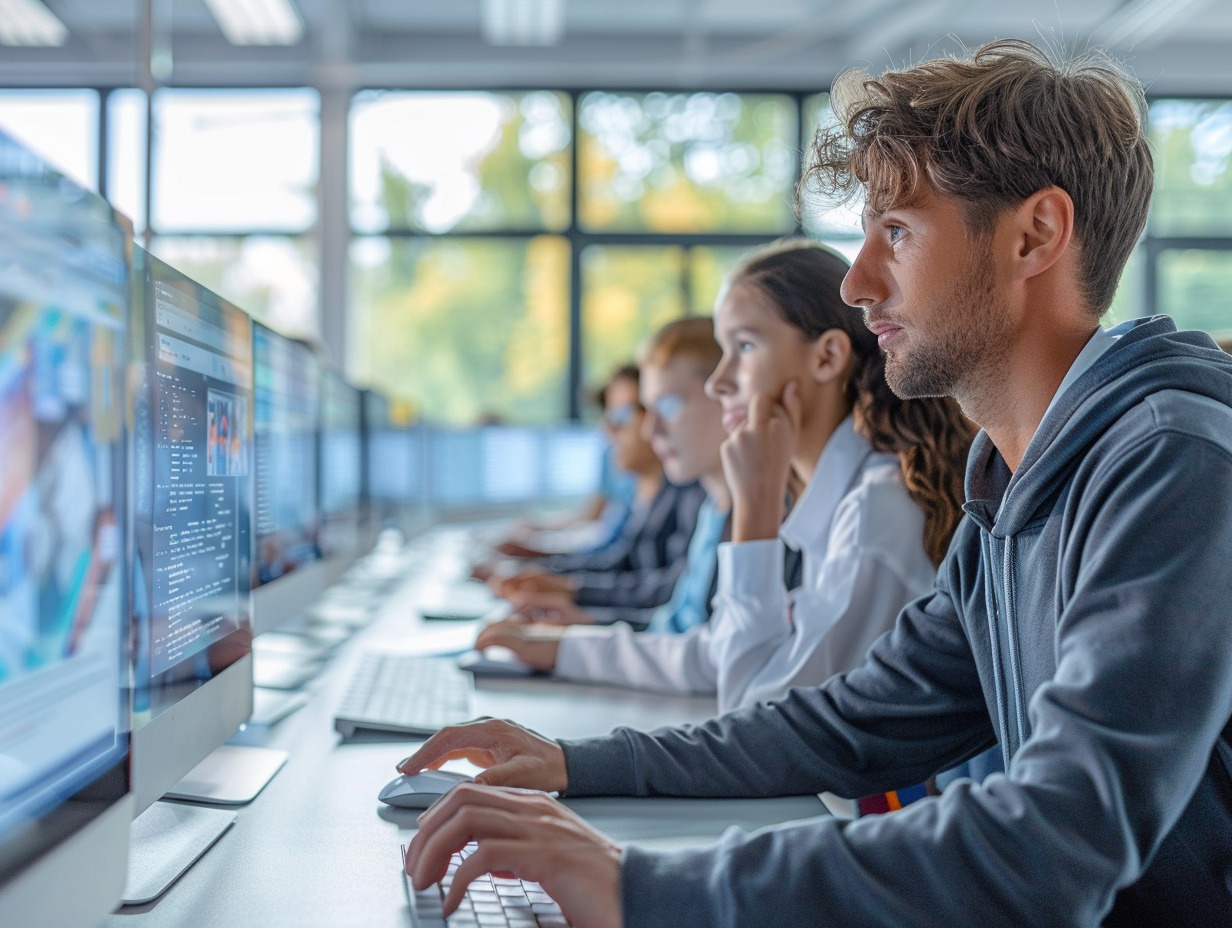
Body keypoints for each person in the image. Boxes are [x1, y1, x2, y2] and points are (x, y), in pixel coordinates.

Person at [401, 39, 1232, 927]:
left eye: (898, 232)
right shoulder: (1009, 483)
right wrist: (575, 763)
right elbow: (850, 723)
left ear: (1035, 235)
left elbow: (1058, 839)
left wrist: (639, 887)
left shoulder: (1170, 461)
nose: (858, 280)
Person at [476, 240, 973, 713]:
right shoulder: (843, 496)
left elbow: (755, 704)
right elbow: (720, 654)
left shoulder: (874, 512)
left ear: (826, 357)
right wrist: (565, 650)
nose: (720, 381)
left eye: (745, 346)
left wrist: (754, 509)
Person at [483, 364, 706, 616]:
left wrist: (573, 598)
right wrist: (551, 577)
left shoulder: (694, 496)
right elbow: (621, 561)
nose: (609, 431)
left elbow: (674, 592)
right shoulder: (651, 496)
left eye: (622, 416)